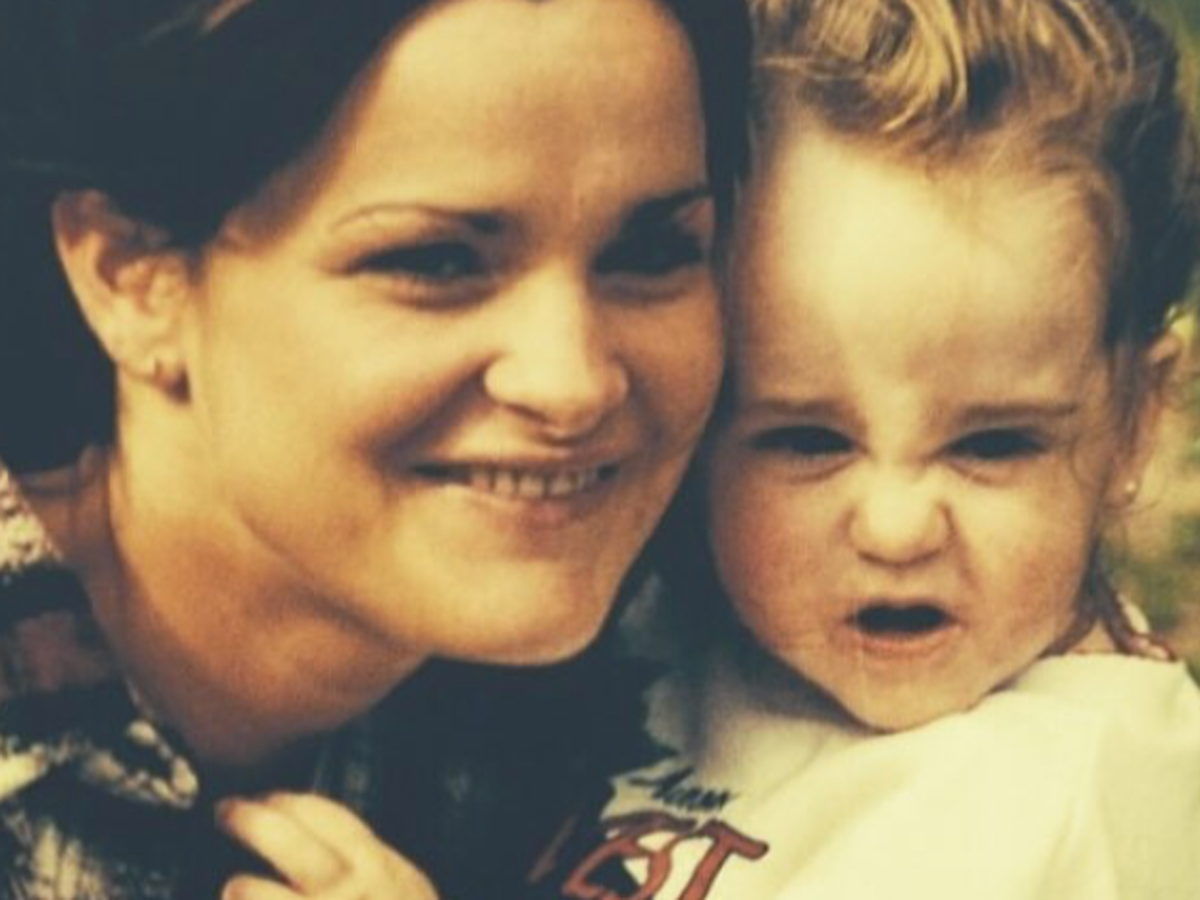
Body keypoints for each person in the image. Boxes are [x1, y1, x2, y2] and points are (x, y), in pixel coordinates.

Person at [0, 0, 750, 897]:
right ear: (132, 280)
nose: (573, 382)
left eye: (653, 253)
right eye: (435, 263)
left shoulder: (690, 682)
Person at [528, 0, 1200, 897]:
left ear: (1135, 421)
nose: (896, 529)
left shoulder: (1071, 802)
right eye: (807, 440)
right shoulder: (668, 620)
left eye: (994, 445)